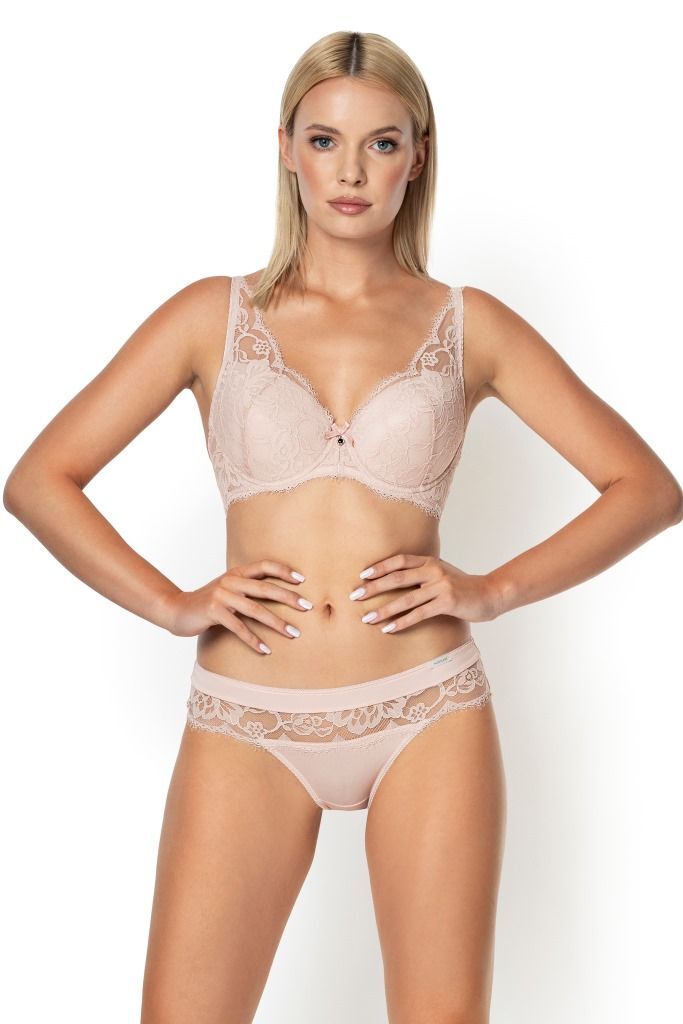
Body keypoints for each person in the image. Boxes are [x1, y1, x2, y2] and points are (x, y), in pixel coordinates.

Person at [4, 28, 681, 1024]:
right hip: (246, 717)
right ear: (285, 148)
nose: (351, 171)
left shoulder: (469, 324)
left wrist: (492, 589)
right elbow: (39, 480)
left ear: (418, 156)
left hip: (425, 709)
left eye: (381, 142)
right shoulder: (210, 315)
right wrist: (171, 603)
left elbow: (646, 488)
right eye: (324, 140)